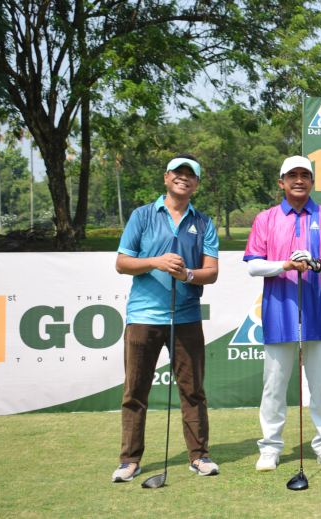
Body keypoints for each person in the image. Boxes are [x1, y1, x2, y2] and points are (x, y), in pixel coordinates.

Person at [112, 154, 220, 482]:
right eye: (178, 173)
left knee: (192, 390)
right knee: (135, 391)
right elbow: (122, 262)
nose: (183, 178)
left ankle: (199, 456)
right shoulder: (143, 216)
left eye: (190, 175)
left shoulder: (203, 223)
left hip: (185, 317)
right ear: (166, 177)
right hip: (143, 317)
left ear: (196, 184)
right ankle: (129, 460)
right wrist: (156, 262)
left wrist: (187, 274)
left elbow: (211, 273)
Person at [244, 155, 321, 472]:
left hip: (318, 310)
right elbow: (253, 266)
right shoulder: (266, 219)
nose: (299, 180)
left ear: (312, 181)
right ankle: (271, 446)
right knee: (274, 385)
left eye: (305, 174)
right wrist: (285, 265)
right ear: (282, 182)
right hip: (279, 311)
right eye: (293, 175)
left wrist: (318, 263)